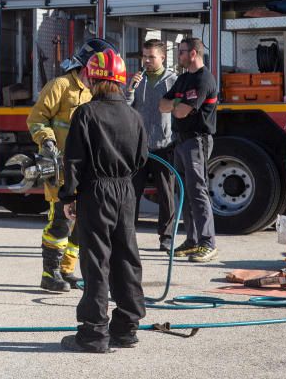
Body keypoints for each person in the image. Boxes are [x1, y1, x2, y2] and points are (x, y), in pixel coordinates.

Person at [59, 47, 148, 353]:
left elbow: (73, 159)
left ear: (94, 80)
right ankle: (126, 328)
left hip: (95, 191)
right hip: (125, 191)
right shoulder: (134, 115)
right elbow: (142, 158)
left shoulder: (86, 113)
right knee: (127, 256)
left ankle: (94, 333)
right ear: (122, 81)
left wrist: (69, 195)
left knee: (97, 260)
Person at [27, 37, 116, 293]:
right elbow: (36, 119)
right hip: (60, 169)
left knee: (81, 223)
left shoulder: (97, 90)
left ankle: (66, 270)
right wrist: (47, 142)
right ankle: (49, 272)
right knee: (61, 222)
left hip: (87, 170)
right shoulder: (60, 86)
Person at [160, 36, 219, 263]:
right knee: (183, 191)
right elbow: (162, 105)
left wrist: (176, 105)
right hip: (181, 140)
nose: (180, 56)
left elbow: (180, 112)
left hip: (197, 141)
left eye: (182, 52)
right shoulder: (184, 79)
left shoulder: (203, 80)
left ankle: (208, 243)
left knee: (198, 191)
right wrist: (177, 104)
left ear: (193, 53)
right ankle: (192, 240)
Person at [126, 39, 178, 252]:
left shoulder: (173, 80)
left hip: (164, 146)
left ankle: (166, 238)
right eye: (144, 56)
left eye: (151, 57)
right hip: (139, 147)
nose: (146, 61)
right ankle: (127, 235)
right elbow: (125, 108)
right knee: (130, 194)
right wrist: (130, 89)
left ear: (162, 58)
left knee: (166, 195)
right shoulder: (139, 81)